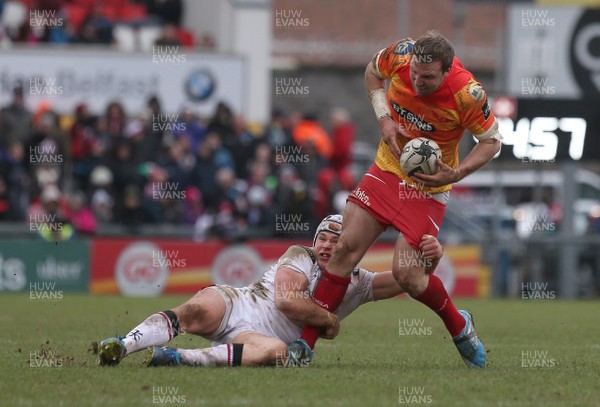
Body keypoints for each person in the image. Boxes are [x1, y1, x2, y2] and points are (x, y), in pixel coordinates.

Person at [288, 30, 502, 369]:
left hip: (429, 188)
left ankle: (459, 325)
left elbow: (491, 142)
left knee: (408, 276)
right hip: (386, 171)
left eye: (428, 77)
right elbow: (372, 73)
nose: (417, 81)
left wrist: (456, 175)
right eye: (415, 73)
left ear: (447, 71)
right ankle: (305, 345)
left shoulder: (468, 94)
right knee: (344, 250)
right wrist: (384, 119)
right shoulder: (401, 54)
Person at [97, 214, 443, 367]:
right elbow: (287, 301)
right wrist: (329, 321)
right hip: (239, 304)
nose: (325, 245)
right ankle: (122, 345)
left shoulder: (358, 282)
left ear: (349, 249)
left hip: (258, 338)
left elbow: (407, 280)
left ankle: (176, 359)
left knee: (276, 352)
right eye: (321, 237)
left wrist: (430, 260)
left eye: (335, 241)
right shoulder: (300, 255)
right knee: (194, 311)